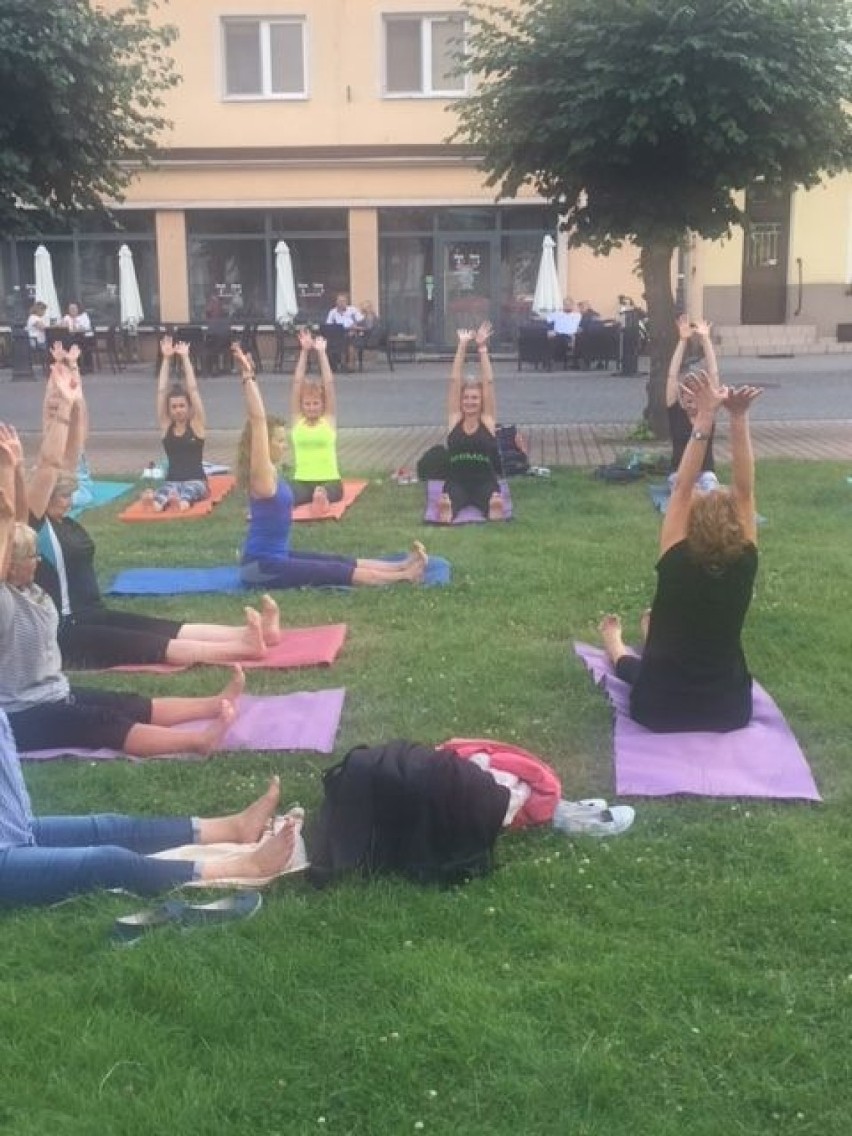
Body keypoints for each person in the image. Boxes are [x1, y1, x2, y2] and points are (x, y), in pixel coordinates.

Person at [26, 354, 283, 670]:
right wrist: (62, 407)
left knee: (160, 626)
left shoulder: (62, 520)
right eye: (61, 493)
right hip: (67, 632)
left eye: (68, 491)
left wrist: (75, 398)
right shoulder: (32, 521)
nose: (68, 496)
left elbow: (71, 451)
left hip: (93, 615)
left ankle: (246, 634)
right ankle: (242, 648)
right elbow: (50, 463)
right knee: (152, 644)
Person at [599, 373, 763, 733]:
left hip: (660, 709)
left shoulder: (676, 557)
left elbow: (684, 486)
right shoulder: (746, 560)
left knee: (636, 668)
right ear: (737, 525)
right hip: (728, 710)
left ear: (691, 520)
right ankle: (650, 630)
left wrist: (704, 419)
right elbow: (746, 490)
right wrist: (738, 417)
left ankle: (616, 645)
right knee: (664, 651)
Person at [0, 717, 299, 907]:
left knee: (109, 827)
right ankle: (244, 868)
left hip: (15, 828)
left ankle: (231, 829)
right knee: (107, 861)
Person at [232, 343, 427, 588]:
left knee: (335, 560)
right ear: (263, 444)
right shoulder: (261, 474)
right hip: (261, 568)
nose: (285, 445)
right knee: (331, 570)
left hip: (272, 558)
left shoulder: (270, 470)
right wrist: (248, 376)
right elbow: (258, 420)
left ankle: (399, 566)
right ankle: (404, 577)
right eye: (280, 441)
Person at [439, 323, 503, 524]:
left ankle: (492, 506)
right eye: (466, 398)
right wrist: (462, 346)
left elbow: (489, 382)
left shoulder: (487, 420)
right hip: (457, 482)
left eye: (475, 398)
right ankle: (448, 509)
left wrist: (482, 348)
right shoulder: (455, 419)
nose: (470, 401)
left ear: (481, 401)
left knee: (490, 499)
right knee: (452, 499)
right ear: (461, 400)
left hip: (484, 482)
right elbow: (454, 381)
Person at [145, 335, 209, 512]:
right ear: (169, 410)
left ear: (189, 408)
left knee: (188, 494)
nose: (178, 409)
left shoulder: (197, 425)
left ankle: (183, 501)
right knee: (158, 502)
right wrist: (166, 359)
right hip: (172, 481)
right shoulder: (166, 426)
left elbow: (193, 390)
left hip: (196, 481)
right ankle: (169, 500)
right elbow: (161, 391)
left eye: (182, 405)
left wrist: (185, 358)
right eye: (174, 407)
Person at [289, 330, 343, 514]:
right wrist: (304, 351)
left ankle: (321, 498)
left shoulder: (327, 420)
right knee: (286, 493)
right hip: (302, 480)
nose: (311, 407)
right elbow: (297, 383)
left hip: (329, 479)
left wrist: (321, 353)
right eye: (308, 404)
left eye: (316, 403)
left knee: (325, 490)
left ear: (322, 405)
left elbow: (329, 384)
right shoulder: (298, 421)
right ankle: (314, 498)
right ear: (302, 405)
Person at [665, 315, 720, 491]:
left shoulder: (709, 412)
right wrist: (682, 340)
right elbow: (672, 376)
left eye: (693, 396)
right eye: (685, 396)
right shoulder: (676, 412)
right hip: (679, 473)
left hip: (705, 473)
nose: (690, 400)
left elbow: (713, 374)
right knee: (683, 491)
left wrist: (705, 340)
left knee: (710, 491)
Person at [325, 293, 362, 369]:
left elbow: (361, 320)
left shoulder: (353, 310)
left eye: (343, 301)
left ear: (347, 302)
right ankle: (338, 363)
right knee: (333, 341)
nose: (342, 303)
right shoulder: (333, 312)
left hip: (352, 332)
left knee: (350, 340)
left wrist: (355, 326)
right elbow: (328, 325)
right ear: (336, 302)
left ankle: (350, 365)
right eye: (340, 301)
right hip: (338, 333)